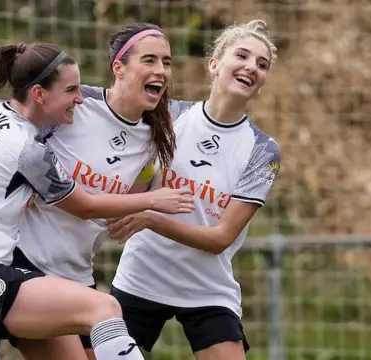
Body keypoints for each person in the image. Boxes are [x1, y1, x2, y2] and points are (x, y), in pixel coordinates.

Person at [0, 26, 194, 360]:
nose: (77, 97)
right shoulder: (44, 133)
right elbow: (85, 205)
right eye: (149, 59)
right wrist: (155, 201)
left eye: (166, 61)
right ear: (118, 67)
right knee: (105, 308)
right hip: (8, 270)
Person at [106, 20, 281, 360]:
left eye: (262, 65)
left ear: (261, 83)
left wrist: (151, 219)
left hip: (207, 289)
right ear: (214, 64)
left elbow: (220, 238)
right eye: (242, 55)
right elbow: (133, 192)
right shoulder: (167, 116)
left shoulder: (263, 151)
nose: (251, 67)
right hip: (142, 277)